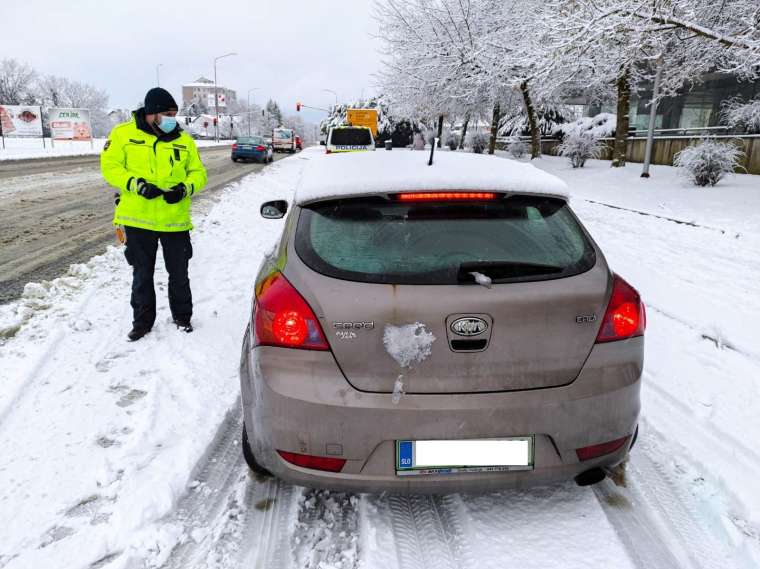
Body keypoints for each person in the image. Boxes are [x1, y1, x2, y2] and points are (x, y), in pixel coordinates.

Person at [101, 87, 207, 341]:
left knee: (179, 274)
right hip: (138, 220)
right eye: (167, 113)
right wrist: (136, 184)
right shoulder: (123, 134)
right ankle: (142, 323)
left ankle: (182, 318)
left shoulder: (184, 140)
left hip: (174, 221)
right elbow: (110, 167)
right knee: (142, 275)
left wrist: (184, 189)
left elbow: (199, 173)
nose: (172, 118)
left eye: (174, 113)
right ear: (151, 113)